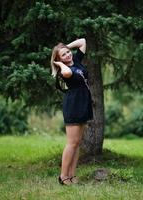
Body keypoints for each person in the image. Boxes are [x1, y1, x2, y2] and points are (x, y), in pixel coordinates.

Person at [50, 38, 93, 185]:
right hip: (73, 106)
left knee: (77, 143)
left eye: (68, 52)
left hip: (83, 104)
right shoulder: (63, 71)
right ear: (58, 59)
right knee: (71, 143)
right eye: (64, 55)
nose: (68, 55)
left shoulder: (76, 60)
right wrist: (59, 63)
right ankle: (63, 176)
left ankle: (73, 175)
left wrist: (63, 47)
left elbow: (82, 41)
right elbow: (68, 72)